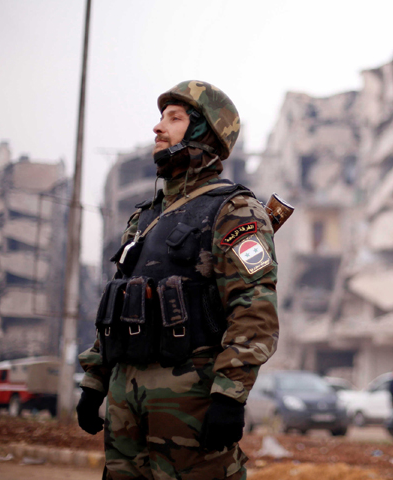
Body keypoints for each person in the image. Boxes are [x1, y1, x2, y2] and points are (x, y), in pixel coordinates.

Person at [75, 80, 279, 480]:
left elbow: (254, 308)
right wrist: (94, 381)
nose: (157, 127)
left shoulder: (235, 210)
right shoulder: (143, 219)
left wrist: (230, 395)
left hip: (190, 402)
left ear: (204, 131)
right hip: (125, 403)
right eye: (160, 117)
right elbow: (117, 306)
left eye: (174, 117)